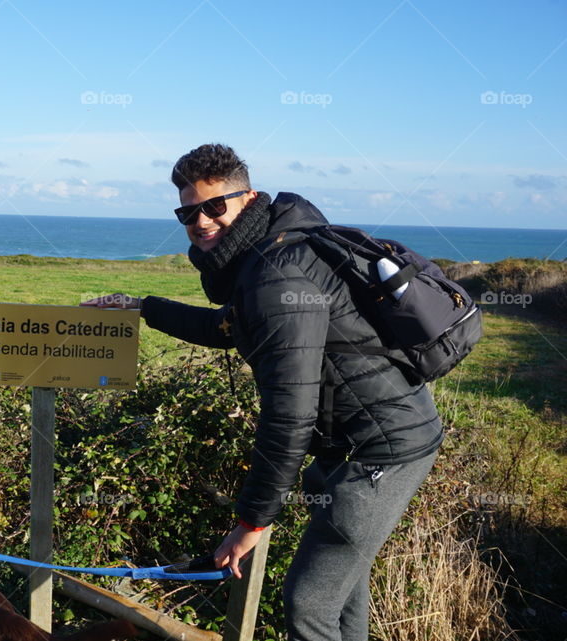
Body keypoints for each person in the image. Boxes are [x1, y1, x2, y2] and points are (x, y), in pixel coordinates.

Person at [82, 144, 442, 641]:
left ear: (247, 198)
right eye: (188, 211)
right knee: (342, 589)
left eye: (214, 206)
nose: (201, 221)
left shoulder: (278, 273)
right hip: (352, 442)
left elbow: (289, 412)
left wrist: (251, 522)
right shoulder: (268, 253)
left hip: (381, 449)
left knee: (309, 604)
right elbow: (230, 328)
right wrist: (144, 307)